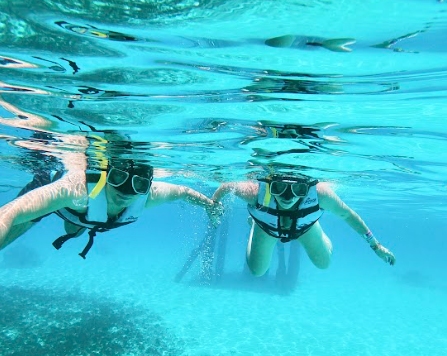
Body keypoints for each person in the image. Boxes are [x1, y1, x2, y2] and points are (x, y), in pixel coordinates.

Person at [0, 148, 222, 259]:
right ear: (107, 174)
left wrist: (210, 205)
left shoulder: (149, 196)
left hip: (83, 217)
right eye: (117, 178)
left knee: (75, 228)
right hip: (58, 196)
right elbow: (10, 212)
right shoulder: (77, 188)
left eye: (139, 184)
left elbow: (183, 192)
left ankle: (78, 225)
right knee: (16, 227)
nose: (126, 192)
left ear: (146, 186)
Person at [212, 173, 395, 276]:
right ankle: (255, 224)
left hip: (305, 228)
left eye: (298, 189)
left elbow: (347, 215)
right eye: (279, 187)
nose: (287, 196)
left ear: (307, 188)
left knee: (324, 264)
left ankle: (315, 228)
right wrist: (214, 206)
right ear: (269, 185)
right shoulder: (255, 193)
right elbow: (226, 187)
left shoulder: (321, 194)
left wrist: (376, 246)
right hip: (266, 227)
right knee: (257, 271)